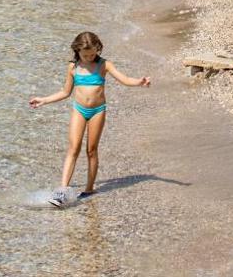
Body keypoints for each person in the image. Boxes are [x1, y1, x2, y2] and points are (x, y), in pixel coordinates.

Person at [28, 31, 150, 204]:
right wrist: (44, 100)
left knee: (91, 150)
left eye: (93, 54)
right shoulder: (73, 67)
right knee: (73, 148)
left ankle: (89, 188)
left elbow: (124, 79)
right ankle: (62, 190)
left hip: (97, 111)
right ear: (77, 51)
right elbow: (65, 92)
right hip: (79, 110)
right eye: (86, 55)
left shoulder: (103, 65)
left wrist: (139, 82)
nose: (90, 57)